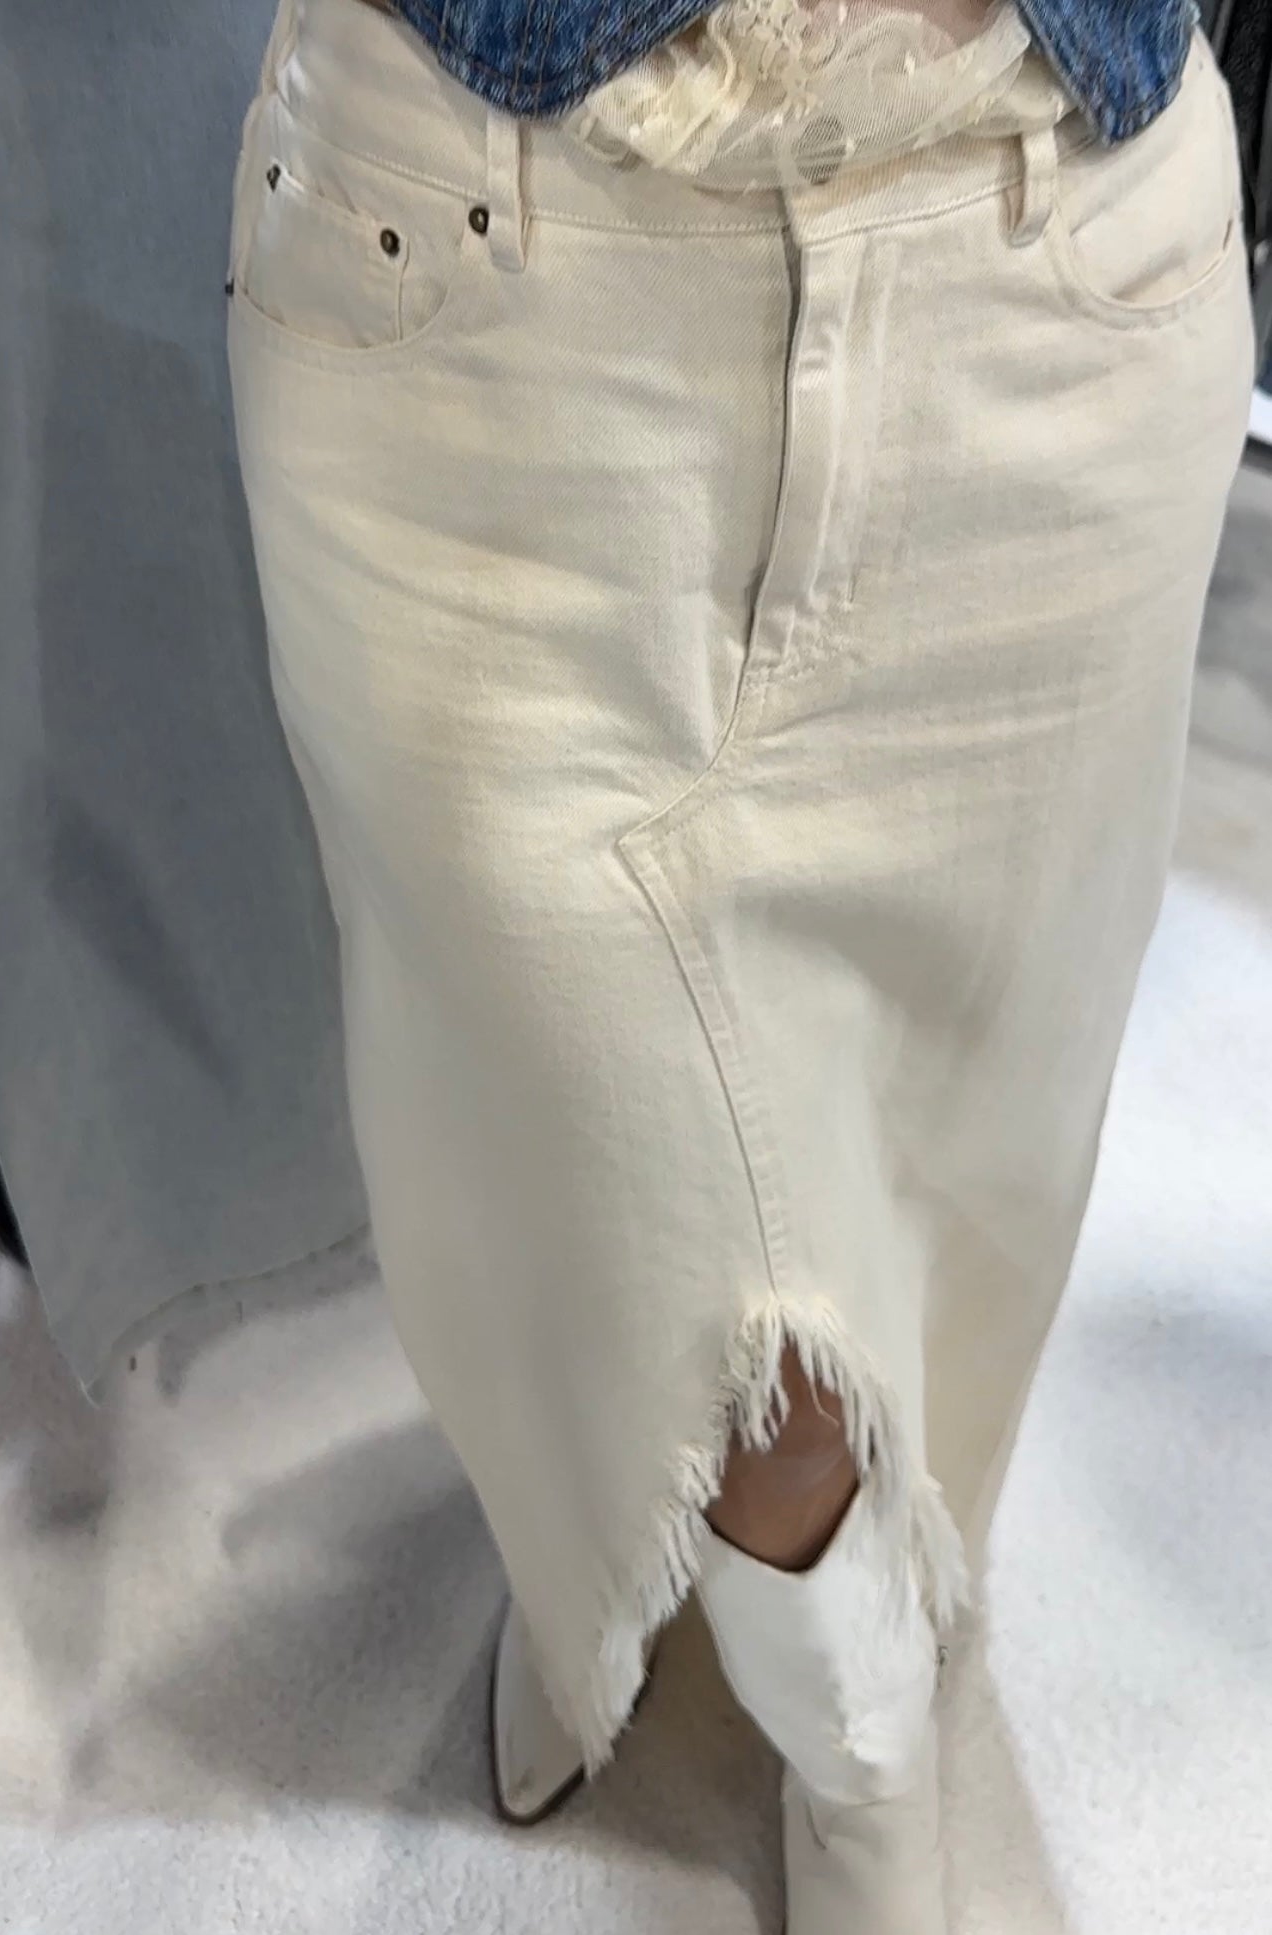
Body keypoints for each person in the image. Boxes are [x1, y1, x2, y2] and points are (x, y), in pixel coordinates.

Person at [225, 2, 1253, 1927]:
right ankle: (763, 1658)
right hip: (486, 287)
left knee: (963, 1146)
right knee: (560, 1141)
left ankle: (833, 1667)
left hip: (1054, 260)